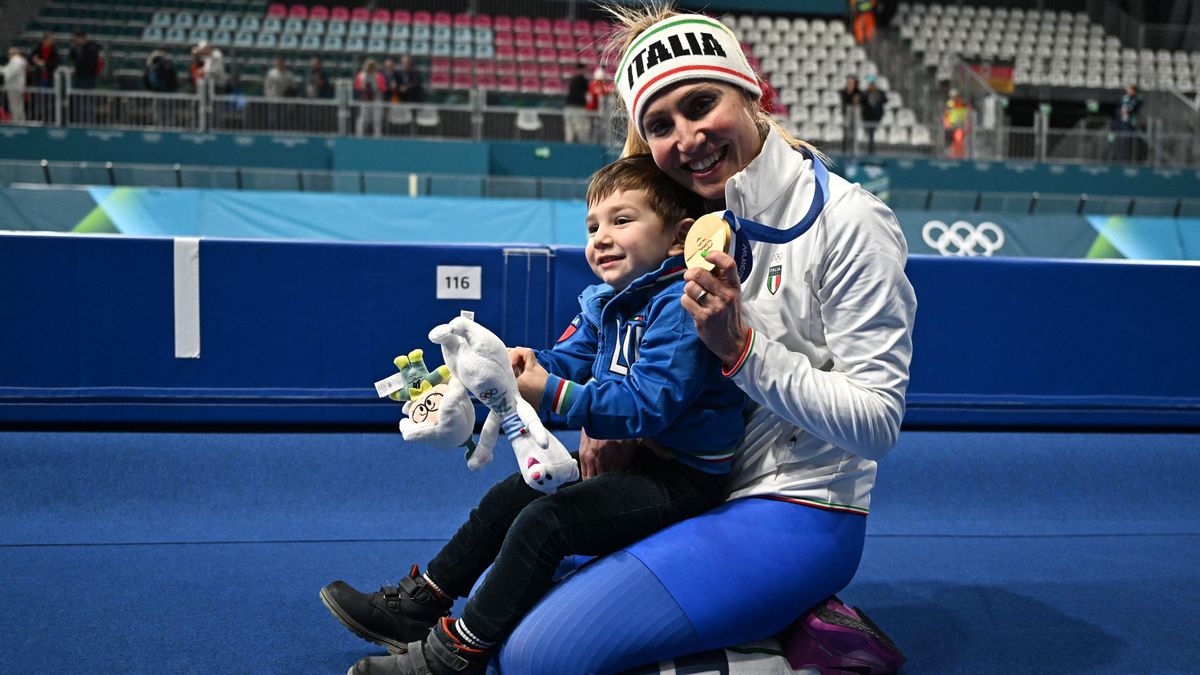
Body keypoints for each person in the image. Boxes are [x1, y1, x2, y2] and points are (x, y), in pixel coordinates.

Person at [489, 7, 916, 673]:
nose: (687, 138)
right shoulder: (682, 220)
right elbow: (614, 355)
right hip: (685, 486)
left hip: (794, 506)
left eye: (701, 104)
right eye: (661, 125)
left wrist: (742, 348)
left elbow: (878, 425)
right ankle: (784, 621)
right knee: (512, 589)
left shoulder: (851, 221)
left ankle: (795, 644)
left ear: (748, 90)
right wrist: (585, 411)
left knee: (537, 658)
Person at [322, 153, 748, 675]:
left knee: (545, 524)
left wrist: (551, 391)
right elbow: (567, 360)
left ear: (679, 237)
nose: (601, 238)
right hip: (638, 460)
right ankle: (419, 604)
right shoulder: (605, 300)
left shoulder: (680, 307)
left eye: (622, 220)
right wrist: (517, 363)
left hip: (682, 477)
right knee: (511, 496)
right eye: (592, 226)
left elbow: (648, 407)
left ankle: (454, 655)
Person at [354, 59, 387, 137]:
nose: (370, 68)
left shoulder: (379, 75)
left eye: (372, 66)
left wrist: (375, 84)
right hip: (365, 100)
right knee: (363, 119)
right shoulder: (361, 75)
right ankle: (359, 136)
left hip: (377, 99)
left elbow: (383, 88)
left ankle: (377, 137)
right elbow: (357, 87)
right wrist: (363, 83)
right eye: (369, 66)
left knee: (377, 120)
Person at [1112, 83, 1143, 163]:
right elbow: (1118, 111)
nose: (1129, 91)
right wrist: (1121, 113)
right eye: (1128, 89)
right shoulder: (1123, 99)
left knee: (1129, 143)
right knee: (1120, 142)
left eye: (1131, 89)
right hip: (1120, 124)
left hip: (1130, 125)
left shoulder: (1137, 100)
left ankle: (1128, 160)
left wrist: (1127, 111)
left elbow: (1133, 109)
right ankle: (1118, 159)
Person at [263, 57, 295, 130]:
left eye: (282, 63)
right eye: (279, 62)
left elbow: (293, 86)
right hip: (272, 99)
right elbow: (267, 86)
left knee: (282, 118)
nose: (281, 64)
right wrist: (268, 97)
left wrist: (289, 93)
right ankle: (272, 133)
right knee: (272, 118)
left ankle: (281, 134)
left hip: (283, 100)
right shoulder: (271, 73)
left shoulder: (288, 74)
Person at [586, 66, 615, 144]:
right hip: (593, 111)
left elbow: (610, 91)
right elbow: (599, 92)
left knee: (602, 129)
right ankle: (594, 143)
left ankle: (602, 142)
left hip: (599, 112)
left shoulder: (601, 85)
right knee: (594, 129)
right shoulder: (594, 85)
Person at [860, 74, 888, 155]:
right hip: (867, 117)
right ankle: (869, 150)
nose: (871, 85)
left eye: (872, 84)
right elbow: (862, 102)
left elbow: (885, 100)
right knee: (869, 134)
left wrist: (879, 98)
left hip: (876, 117)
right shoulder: (865, 93)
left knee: (873, 134)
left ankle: (871, 150)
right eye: (870, 84)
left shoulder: (880, 92)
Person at [563, 63, 590, 143]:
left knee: (569, 128)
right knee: (580, 127)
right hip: (578, 107)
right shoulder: (581, 79)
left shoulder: (573, 79)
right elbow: (585, 93)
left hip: (569, 106)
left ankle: (569, 145)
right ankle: (582, 146)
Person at [2, 47, 28, 124]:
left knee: (15, 107)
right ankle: (19, 122)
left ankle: (17, 123)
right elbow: (7, 70)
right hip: (15, 87)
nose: (8, 55)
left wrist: (4, 74)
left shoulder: (16, 61)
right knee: (18, 106)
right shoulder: (16, 61)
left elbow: (11, 73)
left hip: (14, 87)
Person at [942, 87, 969, 159]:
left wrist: (965, 125)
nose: (954, 98)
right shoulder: (949, 104)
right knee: (950, 143)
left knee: (958, 140)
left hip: (960, 126)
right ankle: (952, 156)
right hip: (951, 126)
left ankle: (960, 156)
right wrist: (947, 125)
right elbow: (946, 115)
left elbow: (967, 116)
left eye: (955, 96)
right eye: (952, 97)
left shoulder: (963, 105)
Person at [839, 74, 862, 153]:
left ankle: (853, 150)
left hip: (855, 115)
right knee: (846, 133)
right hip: (847, 115)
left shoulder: (858, 92)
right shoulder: (844, 91)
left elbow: (859, 102)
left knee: (854, 133)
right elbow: (845, 101)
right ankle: (844, 150)